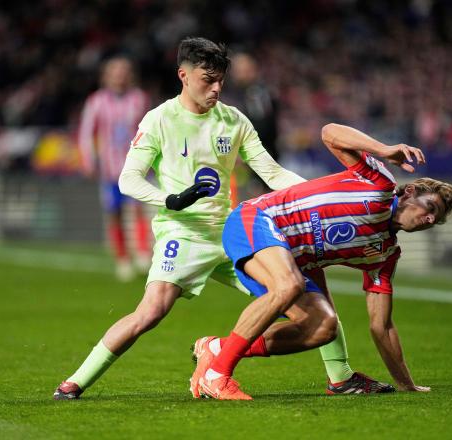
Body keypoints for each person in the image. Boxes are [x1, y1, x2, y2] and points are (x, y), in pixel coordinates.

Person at [53, 38, 388, 400]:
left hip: (232, 235)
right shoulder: (160, 119)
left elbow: (273, 174)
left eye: (220, 81)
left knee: (317, 311)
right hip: (183, 234)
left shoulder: (233, 120)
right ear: (183, 75)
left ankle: (339, 377)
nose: (215, 89)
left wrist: (323, 195)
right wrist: (171, 199)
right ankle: (75, 381)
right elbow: (128, 179)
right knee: (150, 312)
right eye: (207, 79)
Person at [190, 123, 452, 400]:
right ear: (411, 191)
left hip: (288, 260)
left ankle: (217, 349)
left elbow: (382, 326)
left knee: (322, 327)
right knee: (289, 285)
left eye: (435, 220)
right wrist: (384, 150)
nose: (429, 220)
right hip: (258, 219)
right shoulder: (380, 183)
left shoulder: (384, 254)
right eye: (431, 208)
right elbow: (329, 132)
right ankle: (217, 375)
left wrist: (407, 384)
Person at [78, 56, 151, 281]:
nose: (119, 75)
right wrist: (89, 160)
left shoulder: (139, 99)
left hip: (135, 166)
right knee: (115, 214)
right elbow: (86, 133)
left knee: (138, 209)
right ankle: (122, 259)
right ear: (106, 76)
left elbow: (151, 129)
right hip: (109, 171)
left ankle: (142, 252)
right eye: (115, 71)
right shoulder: (96, 101)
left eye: (124, 71)